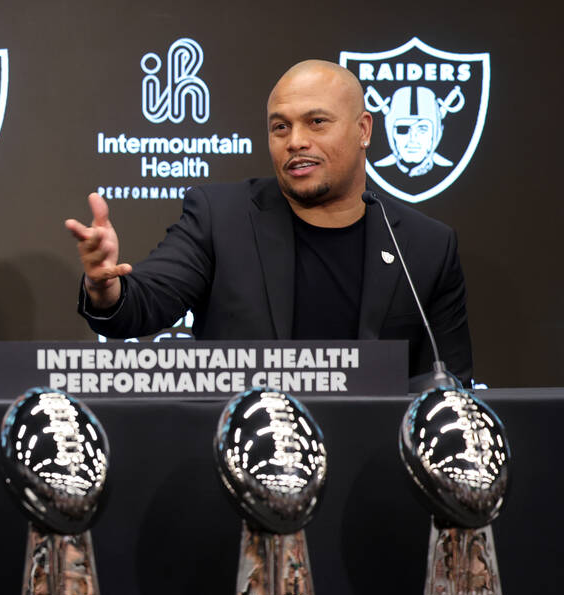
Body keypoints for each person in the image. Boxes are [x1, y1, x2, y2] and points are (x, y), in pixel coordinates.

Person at [66, 59, 472, 384]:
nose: (295, 141)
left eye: (316, 122)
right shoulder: (221, 217)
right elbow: (146, 302)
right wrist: (107, 288)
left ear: (363, 130)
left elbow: (448, 388)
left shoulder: (425, 247)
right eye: (281, 127)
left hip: (374, 467)